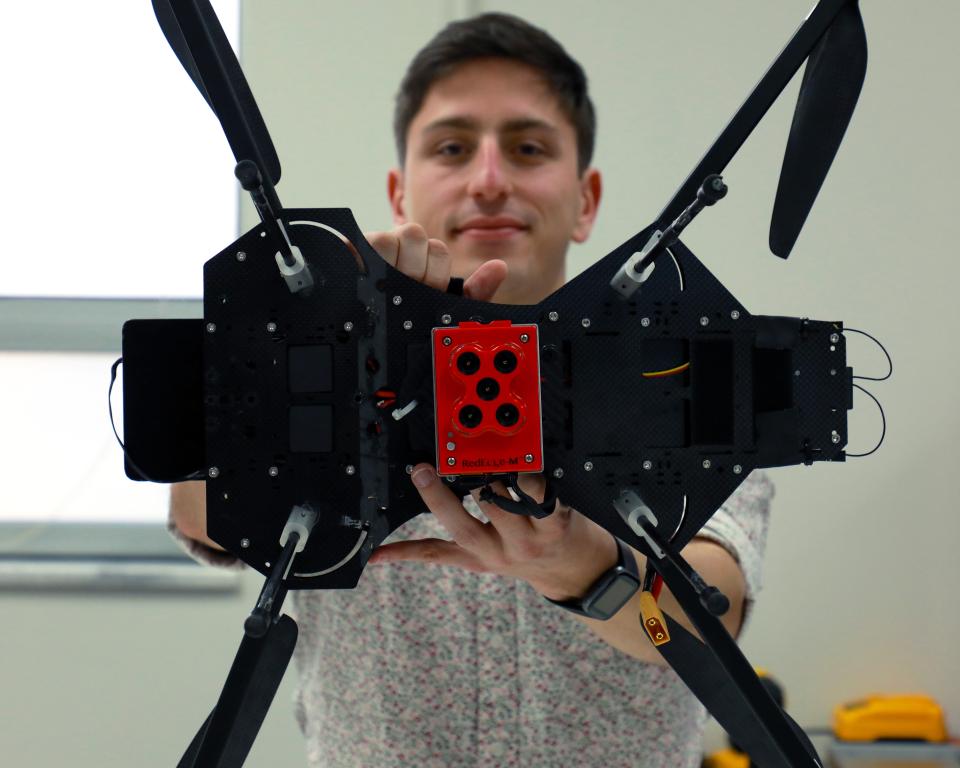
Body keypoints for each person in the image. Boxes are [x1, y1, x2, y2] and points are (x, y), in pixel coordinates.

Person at [170, 12, 773, 768]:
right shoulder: (314, 352)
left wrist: (591, 574)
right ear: (399, 191)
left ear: (586, 199)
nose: (489, 180)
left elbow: (709, 612)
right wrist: (314, 353)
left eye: (528, 148)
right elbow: (204, 513)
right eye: (453, 147)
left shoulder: (682, 371)